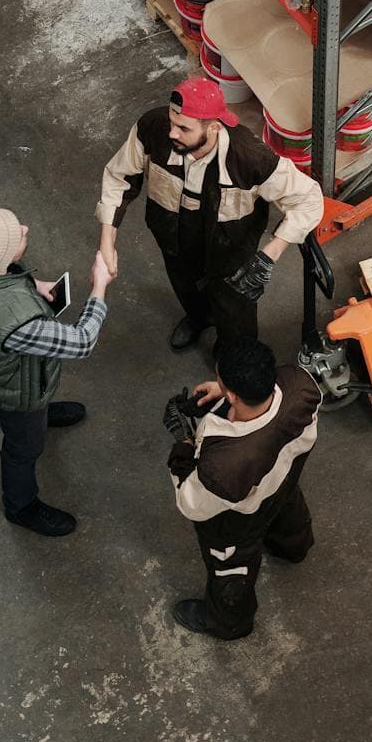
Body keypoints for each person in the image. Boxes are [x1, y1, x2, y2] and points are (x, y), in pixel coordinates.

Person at [96, 78, 323, 351]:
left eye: (183, 128)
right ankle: (198, 318)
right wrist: (107, 242)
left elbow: (309, 199)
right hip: (174, 233)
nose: (172, 133)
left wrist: (267, 256)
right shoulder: (152, 129)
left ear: (214, 128)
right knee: (186, 284)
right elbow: (119, 176)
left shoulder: (250, 158)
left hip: (230, 247)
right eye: (171, 122)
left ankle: (233, 349)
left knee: (234, 306)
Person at [0, 207, 115, 538]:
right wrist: (99, 288)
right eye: (16, 235)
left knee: (34, 414)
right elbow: (81, 342)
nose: (24, 227)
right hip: (13, 389)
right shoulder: (16, 324)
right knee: (23, 447)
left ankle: (43, 413)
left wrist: (32, 285)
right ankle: (21, 506)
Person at [162, 335, 321, 640]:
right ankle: (294, 549)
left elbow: (191, 504)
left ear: (234, 396)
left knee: (230, 568)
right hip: (284, 480)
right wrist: (223, 391)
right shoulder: (301, 386)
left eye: (221, 381)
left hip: (238, 519)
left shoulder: (224, 468)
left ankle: (229, 623)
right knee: (287, 512)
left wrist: (182, 447)